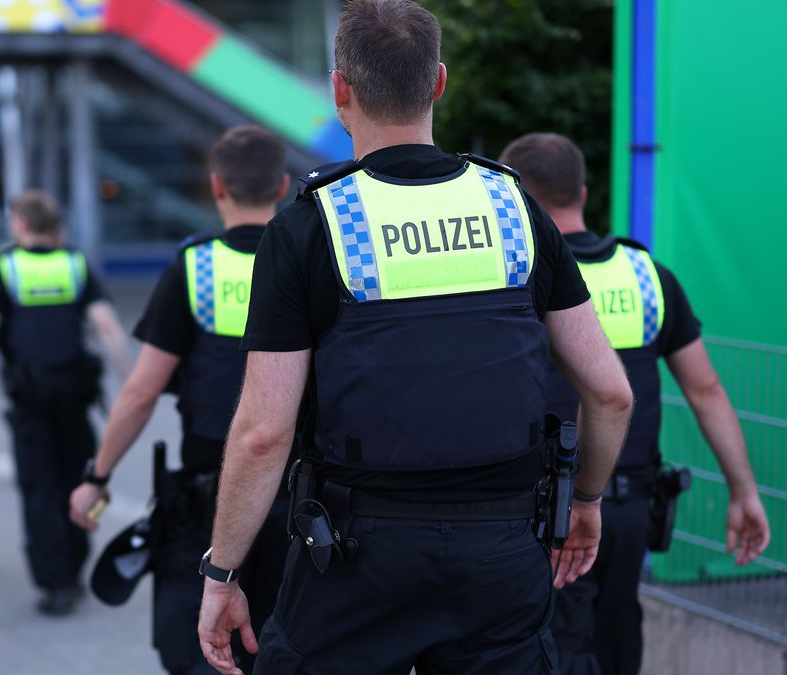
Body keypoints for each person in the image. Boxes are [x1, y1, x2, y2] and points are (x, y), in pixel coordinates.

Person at [195, 2, 637, 673]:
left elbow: (262, 431)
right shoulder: (513, 210)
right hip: (502, 550)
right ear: (438, 81)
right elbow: (609, 393)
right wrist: (586, 501)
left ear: (340, 89)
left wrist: (222, 571)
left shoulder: (313, 226)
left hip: (356, 558)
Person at [499, 132, 772, 675]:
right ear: (582, 189)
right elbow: (706, 390)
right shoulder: (647, 277)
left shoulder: (517, 275)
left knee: (552, 649)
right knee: (619, 635)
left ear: (519, 199)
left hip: (541, 512)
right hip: (627, 511)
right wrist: (743, 492)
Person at [69, 125, 292, 673]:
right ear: (282, 185)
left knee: (201, 646)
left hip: (210, 497)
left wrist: (96, 476)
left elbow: (143, 390)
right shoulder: (304, 261)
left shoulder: (195, 268)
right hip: (299, 492)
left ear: (217, 186)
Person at [0, 190, 130, 616]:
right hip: (75, 392)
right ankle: (75, 569)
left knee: (38, 487)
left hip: (30, 397)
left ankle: (54, 582)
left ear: (21, 225)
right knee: (79, 479)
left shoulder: (6, 266)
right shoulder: (74, 264)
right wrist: (131, 385)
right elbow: (107, 328)